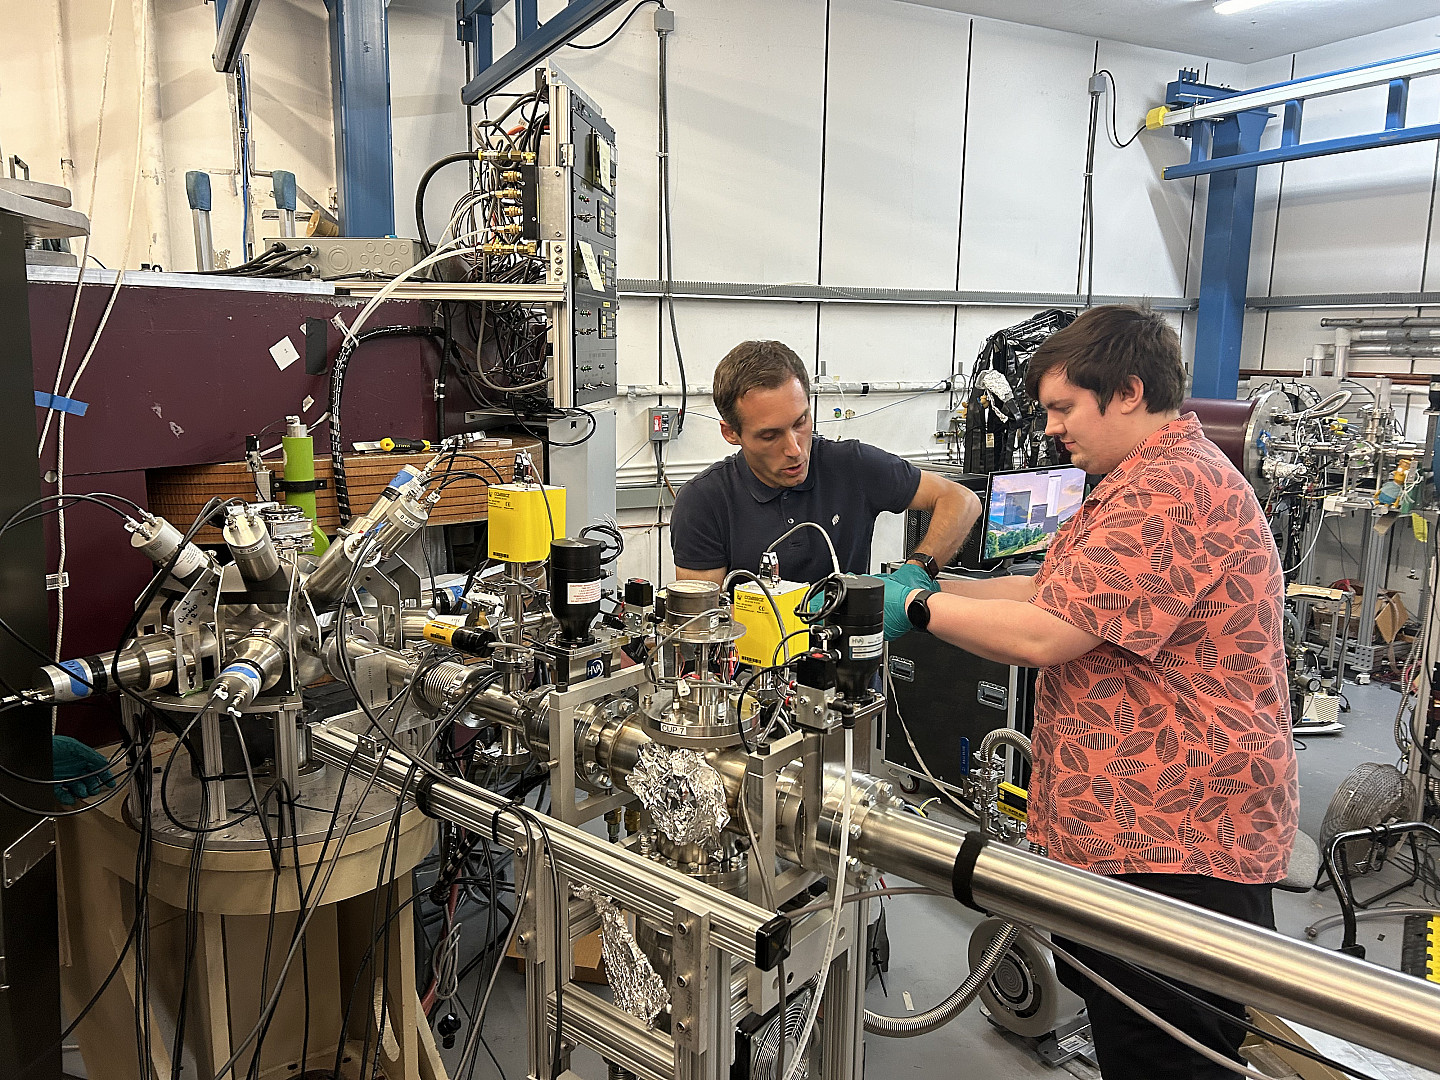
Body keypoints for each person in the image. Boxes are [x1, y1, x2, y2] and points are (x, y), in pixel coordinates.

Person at [878, 305, 1298, 1079]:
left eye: (1064, 407)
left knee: (1167, 1055)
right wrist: (941, 580)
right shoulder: (1131, 483)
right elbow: (1052, 587)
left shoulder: (1170, 491)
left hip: (1176, 839)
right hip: (1126, 828)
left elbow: (1048, 634)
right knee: (1129, 1035)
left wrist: (918, 609)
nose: (1053, 428)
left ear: (1129, 391)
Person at [670, 340, 977, 588]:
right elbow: (704, 628)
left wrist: (918, 570)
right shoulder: (704, 501)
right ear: (731, 433)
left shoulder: (851, 467)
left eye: (800, 422)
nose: (794, 449)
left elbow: (961, 500)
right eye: (769, 435)